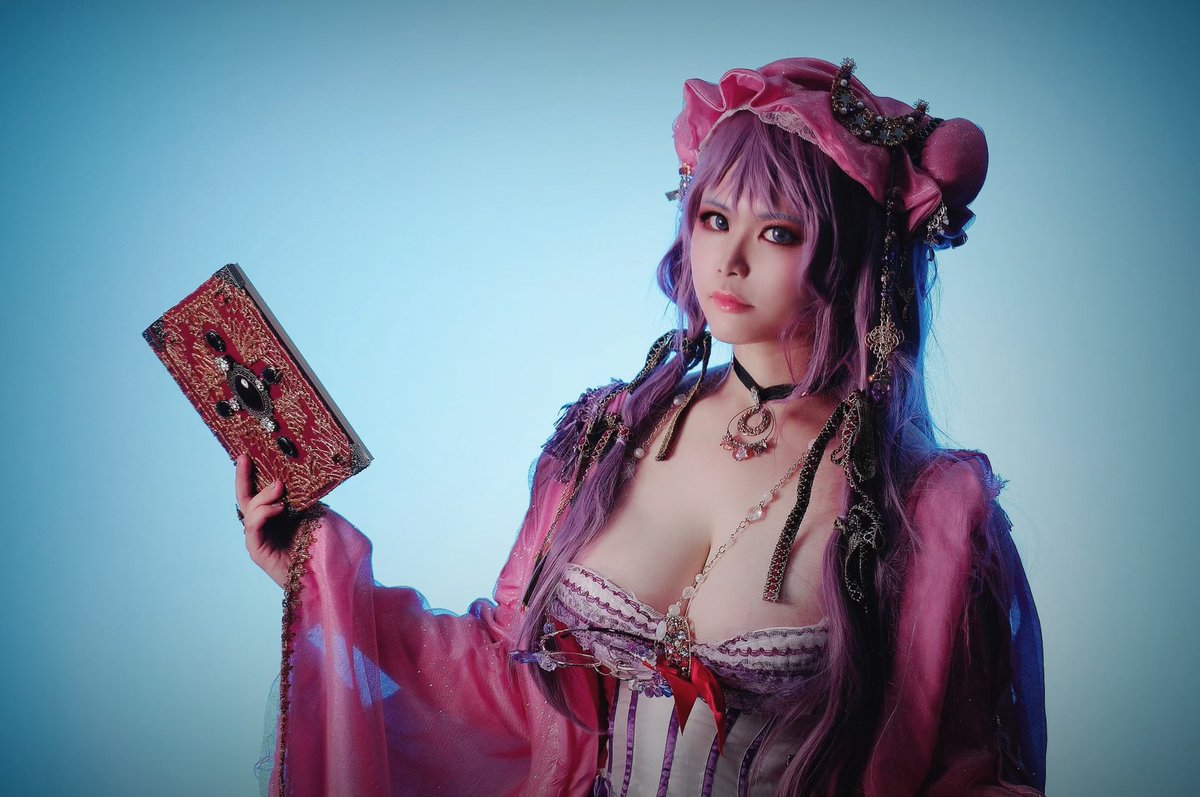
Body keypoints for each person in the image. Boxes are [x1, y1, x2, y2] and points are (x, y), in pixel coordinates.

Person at [234, 57, 1047, 797]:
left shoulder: (925, 510)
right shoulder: (611, 436)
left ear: (856, 251)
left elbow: (965, 774)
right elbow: (501, 669)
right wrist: (315, 559)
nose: (728, 260)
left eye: (777, 231)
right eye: (713, 217)